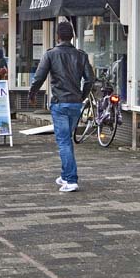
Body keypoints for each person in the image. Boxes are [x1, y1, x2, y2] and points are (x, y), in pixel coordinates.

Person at [29, 22, 94, 192]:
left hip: (59, 102)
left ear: (58, 36)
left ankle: (71, 180)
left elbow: (39, 77)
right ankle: (66, 175)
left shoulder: (51, 54)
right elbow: (90, 79)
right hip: (75, 103)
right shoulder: (81, 55)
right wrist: (82, 96)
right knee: (67, 140)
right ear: (72, 36)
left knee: (64, 141)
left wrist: (32, 94)